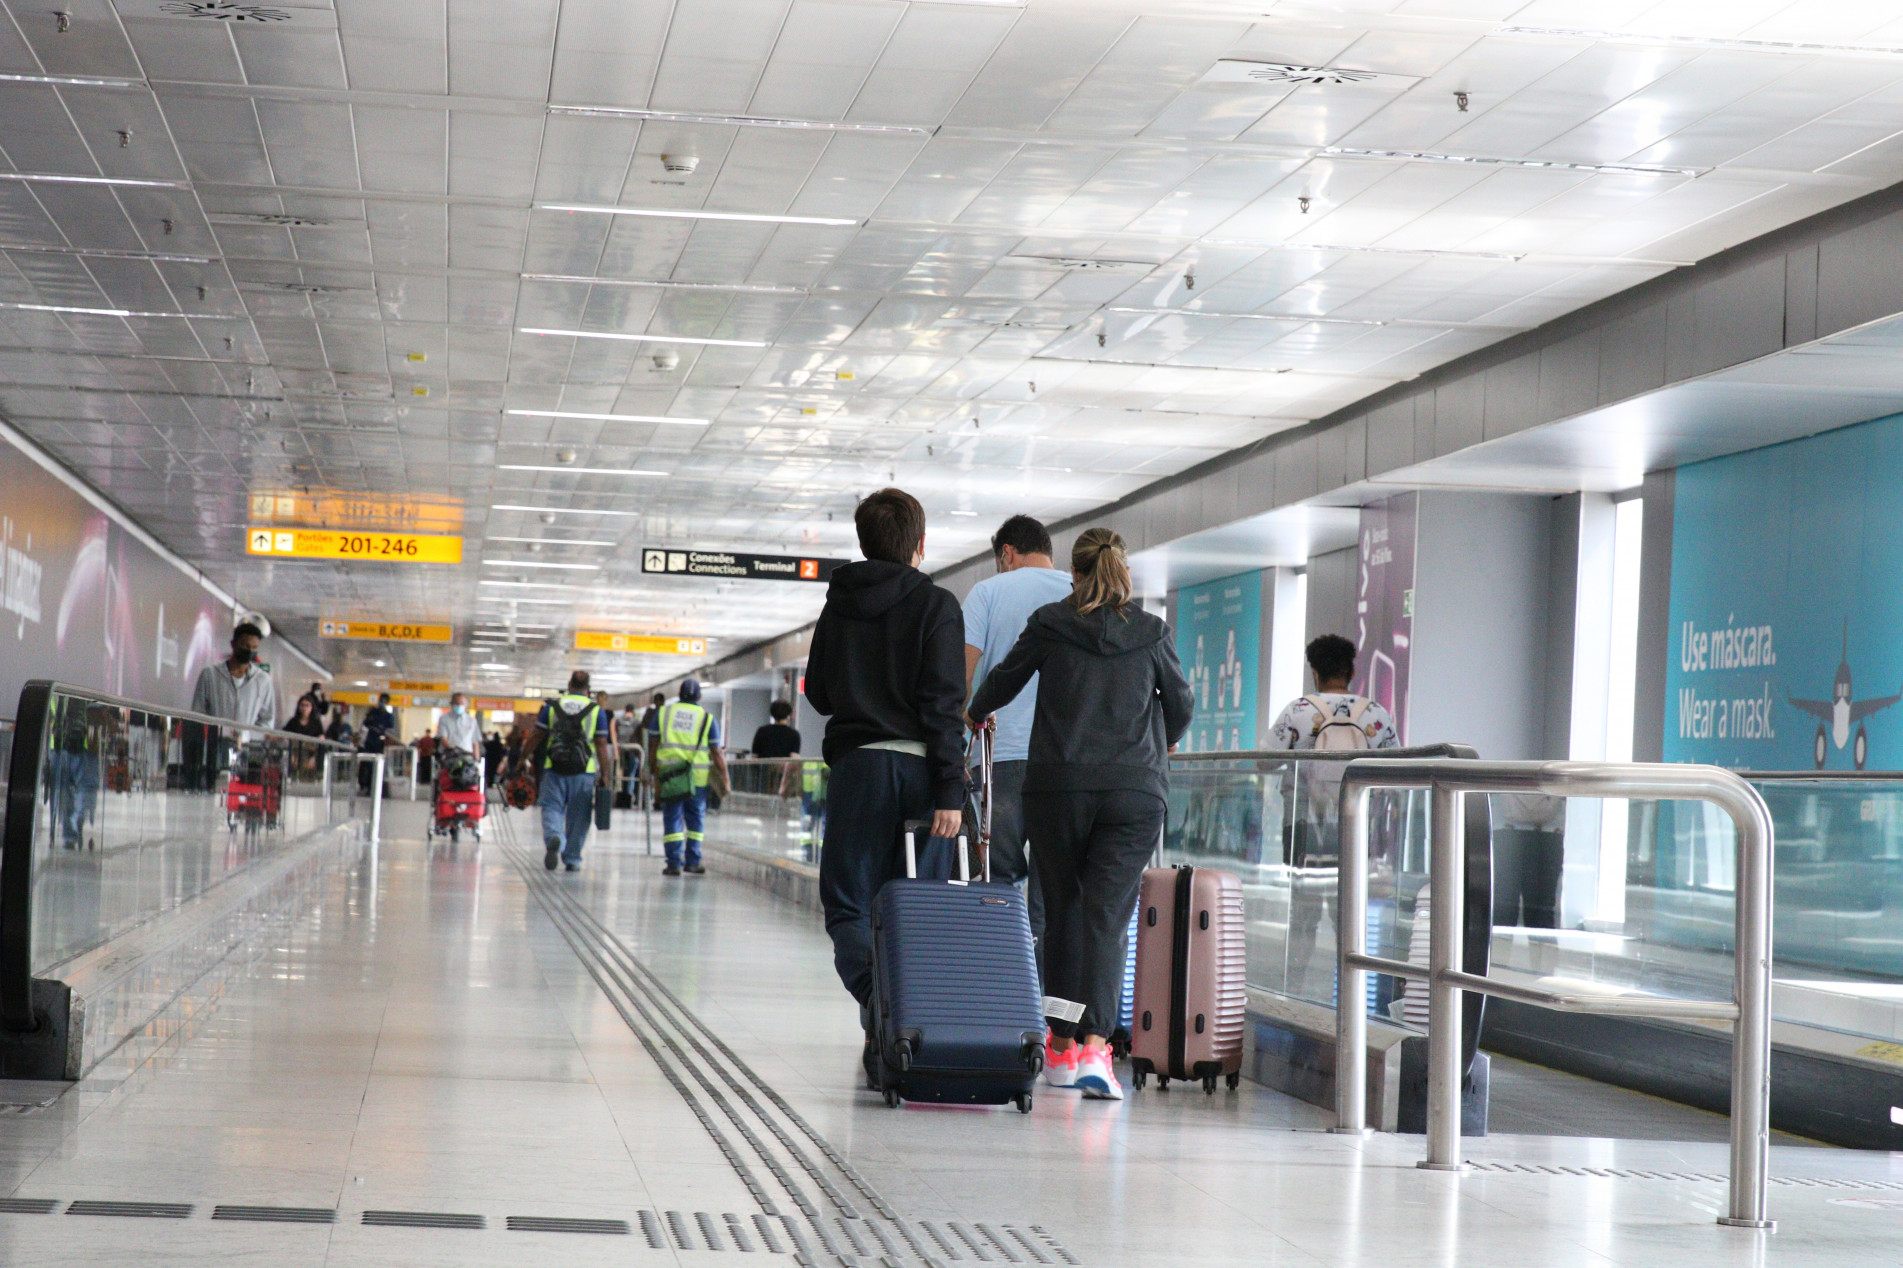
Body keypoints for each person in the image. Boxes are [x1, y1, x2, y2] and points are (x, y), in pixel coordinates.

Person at [967, 527, 1192, 1100]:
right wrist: (1159, 745)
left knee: (1064, 912)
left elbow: (1003, 681)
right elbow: (1181, 702)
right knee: (1106, 917)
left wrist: (976, 712)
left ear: (1076, 572)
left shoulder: (1051, 623)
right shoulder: (1150, 631)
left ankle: (1062, 1045)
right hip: (1133, 792)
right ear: (1123, 572)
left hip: (1059, 789)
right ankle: (1095, 1047)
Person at [805, 488, 966, 1037]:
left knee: (849, 904)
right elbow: (943, 702)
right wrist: (952, 789)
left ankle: (877, 1000)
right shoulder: (938, 605)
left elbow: (820, 692)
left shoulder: (838, 602)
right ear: (920, 544)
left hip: (859, 771)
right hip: (923, 777)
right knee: (919, 905)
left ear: (863, 542)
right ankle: (901, 1017)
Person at [962, 514, 1072, 959]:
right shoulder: (1078, 592)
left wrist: (962, 726)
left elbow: (961, 679)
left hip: (997, 762)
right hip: (1063, 766)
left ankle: (1000, 1000)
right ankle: (1045, 1018)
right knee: (1052, 899)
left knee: (997, 887)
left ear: (1006, 553)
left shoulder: (987, 593)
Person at [1267, 633, 1402, 995]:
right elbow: (1400, 768)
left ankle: (1293, 989)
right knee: (1349, 916)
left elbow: (1265, 761)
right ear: (1351, 670)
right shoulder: (1374, 714)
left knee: (1304, 915)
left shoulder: (1298, 711)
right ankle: (1351, 993)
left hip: (1302, 828)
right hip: (1355, 829)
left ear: (1315, 671)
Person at [521, 670, 613, 871]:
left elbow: (536, 735)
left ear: (569, 686)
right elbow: (601, 744)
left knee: (552, 808)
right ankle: (572, 858)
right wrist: (605, 774)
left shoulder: (552, 707)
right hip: (584, 771)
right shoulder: (596, 711)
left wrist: (522, 758)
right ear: (588, 690)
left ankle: (555, 837)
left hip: (553, 767)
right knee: (579, 816)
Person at [650, 679, 729, 877]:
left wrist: (653, 773)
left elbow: (652, 745)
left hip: (670, 776)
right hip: (697, 779)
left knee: (672, 819)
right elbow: (717, 752)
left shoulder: (663, 713)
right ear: (699, 697)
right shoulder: (707, 719)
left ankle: (673, 863)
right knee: (695, 821)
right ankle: (693, 861)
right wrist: (725, 778)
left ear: (679, 693)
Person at [190, 622, 278, 729]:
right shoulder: (210, 675)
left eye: (254, 647)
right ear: (233, 644)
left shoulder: (263, 680)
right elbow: (197, 713)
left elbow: (267, 720)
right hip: (215, 741)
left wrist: (249, 736)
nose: (250, 650)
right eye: (245, 645)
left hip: (246, 744)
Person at [358, 692, 397, 794]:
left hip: (379, 744)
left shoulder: (389, 717)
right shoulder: (372, 712)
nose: (382, 703)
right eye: (381, 700)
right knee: (365, 764)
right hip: (368, 742)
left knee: (375, 765)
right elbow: (365, 724)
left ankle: (373, 786)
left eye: (384, 701)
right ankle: (364, 785)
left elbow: (390, 730)